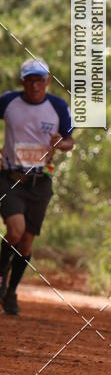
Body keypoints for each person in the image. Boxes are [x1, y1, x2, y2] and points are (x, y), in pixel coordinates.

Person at [0, 58, 74, 316]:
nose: (35, 85)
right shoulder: (8, 101)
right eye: (30, 80)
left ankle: (11, 292)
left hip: (40, 182)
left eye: (39, 80)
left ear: (48, 81)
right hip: (10, 178)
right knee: (15, 230)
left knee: (27, 244)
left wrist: (59, 144)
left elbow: (70, 141)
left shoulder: (57, 106)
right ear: (22, 82)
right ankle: (0, 275)